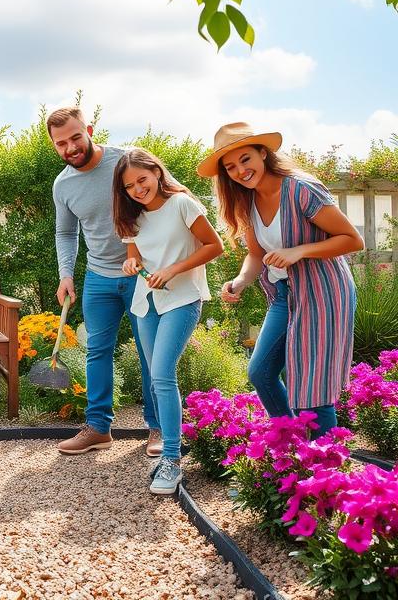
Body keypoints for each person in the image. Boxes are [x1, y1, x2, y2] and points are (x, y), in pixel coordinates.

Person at [197, 122, 363, 437]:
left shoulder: (301, 189)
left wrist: (299, 251)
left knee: (313, 391)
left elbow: (352, 240)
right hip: (284, 296)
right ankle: (293, 442)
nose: (240, 171)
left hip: (324, 293)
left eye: (245, 159)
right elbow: (257, 254)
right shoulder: (246, 200)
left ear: (263, 152)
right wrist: (241, 280)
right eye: (230, 167)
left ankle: (325, 472)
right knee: (260, 372)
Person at [48, 107, 161, 457]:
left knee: (151, 353)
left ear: (90, 129)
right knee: (98, 351)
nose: (70, 148)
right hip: (98, 277)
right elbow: (66, 232)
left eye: (75, 137)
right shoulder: (63, 184)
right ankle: (98, 428)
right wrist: (66, 274)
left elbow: (163, 202)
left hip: (142, 275)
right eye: (61, 143)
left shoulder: (125, 163)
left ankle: (159, 428)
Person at [114, 148, 223, 494]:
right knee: (156, 378)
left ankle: (172, 460)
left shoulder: (183, 205)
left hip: (182, 298)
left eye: (141, 180)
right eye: (129, 186)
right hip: (146, 303)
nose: (137, 189)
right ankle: (169, 454)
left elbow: (214, 245)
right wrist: (130, 265)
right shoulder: (132, 217)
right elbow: (134, 258)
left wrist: (173, 269)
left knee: (162, 374)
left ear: (156, 173)